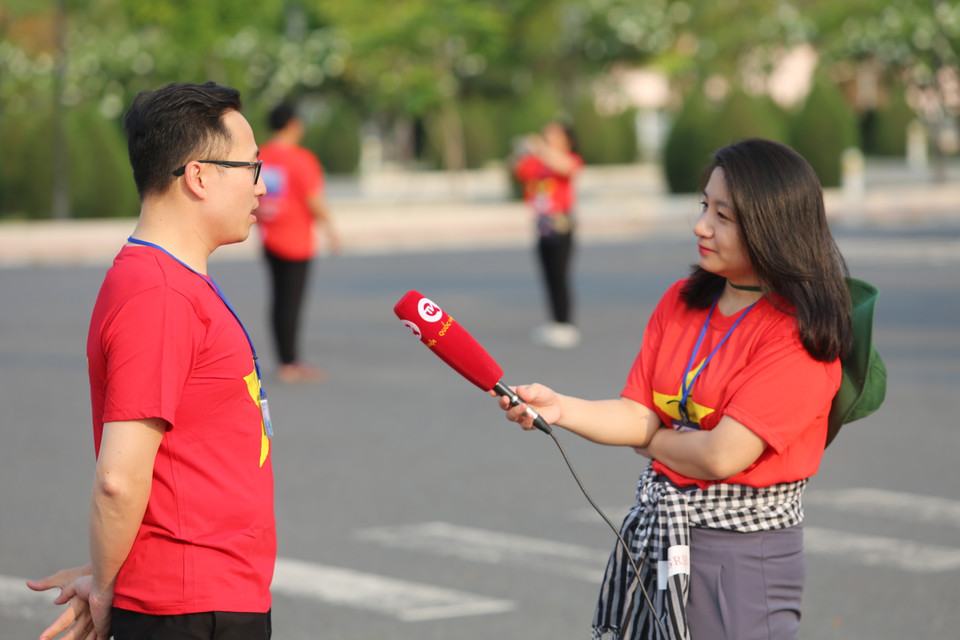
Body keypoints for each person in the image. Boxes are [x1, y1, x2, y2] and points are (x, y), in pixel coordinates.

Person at [498, 138, 852, 640]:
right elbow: (637, 410)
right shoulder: (682, 301)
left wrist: (650, 440)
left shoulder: (798, 334)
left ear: (774, 226)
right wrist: (560, 408)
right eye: (704, 205)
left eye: (723, 216)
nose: (700, 225)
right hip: (666, 538)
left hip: (744, 557)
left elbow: (719, 456)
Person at [28, 81, 275, 640]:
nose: (262, 187)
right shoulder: (159, 295)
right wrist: (109, 588)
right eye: (252, 167)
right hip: (189, 609)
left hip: (205, 596)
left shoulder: (169, 282)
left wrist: (108, 573)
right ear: (199, 176)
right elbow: (118, 477)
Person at [255, 101, 340, 383]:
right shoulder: (301, 160)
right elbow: (313, 200)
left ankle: (284, 358)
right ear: (293, 124)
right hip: (296, 241)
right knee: (291, 301)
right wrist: (331, 229)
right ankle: (290, 361)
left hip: (269, 238)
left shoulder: (261, 156)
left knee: (279, 300)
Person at [513, 121, 584, 349]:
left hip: (561, 225)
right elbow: (518, 170)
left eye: (553, 136)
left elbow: (568, 169)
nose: (548, 139)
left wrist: (542, 149)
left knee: (560, 274)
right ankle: (554, 322)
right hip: (542, 226)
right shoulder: (538, 162)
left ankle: (566, 323)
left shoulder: (568, 159)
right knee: (548, 276)